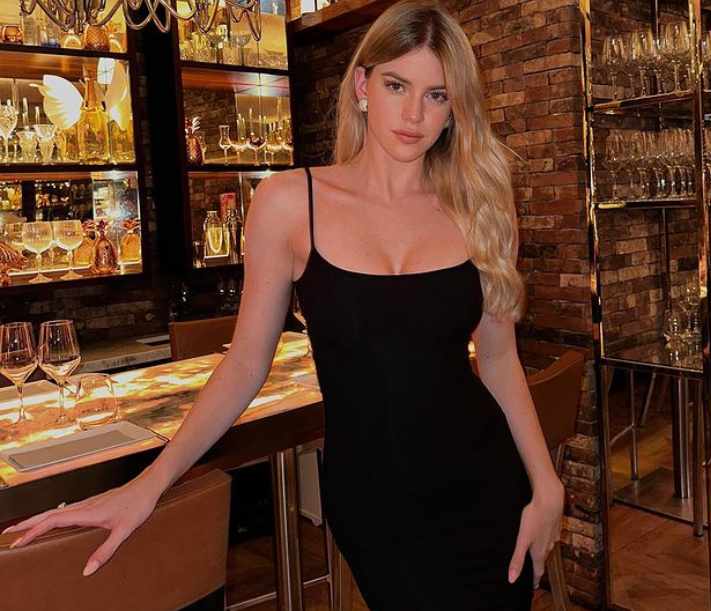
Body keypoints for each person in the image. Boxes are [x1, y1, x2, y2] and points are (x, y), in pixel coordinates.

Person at [4, 0, 565, 608]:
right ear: (362, 87)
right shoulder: (290, 203)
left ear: (455, 108)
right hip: (374, 502)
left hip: (485, 486)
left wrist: (546, 485)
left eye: (437, 95)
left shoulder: (480, 205)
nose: (413, 114)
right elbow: (246, 364)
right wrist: (150, 482)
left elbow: (499, 361)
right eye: (396, 85)